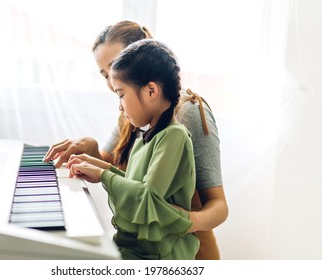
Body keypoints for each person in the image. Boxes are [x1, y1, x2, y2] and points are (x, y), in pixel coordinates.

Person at [44, 21, 228, 260]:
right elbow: (127, 174)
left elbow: (218, 206)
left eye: (115, 66)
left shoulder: (187, 114)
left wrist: (177, 220)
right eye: (105, 75)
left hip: (181, 251)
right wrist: (92, 151)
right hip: (146, 246)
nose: (112, 81)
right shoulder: (135, 113)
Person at [67, 38, 199, 259]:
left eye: (121, 94)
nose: (119, 105)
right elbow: (135, 184)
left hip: (160, 255)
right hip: (139, 249)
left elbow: (147, 198)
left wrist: (103, 174)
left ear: (150, 91)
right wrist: (98, 168)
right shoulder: (147, 135)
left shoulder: (174, 136)